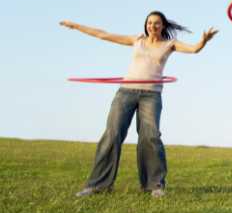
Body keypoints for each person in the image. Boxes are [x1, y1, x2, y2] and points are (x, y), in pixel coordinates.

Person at [60, 12, 217, 198]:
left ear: (163, 26)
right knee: (112, 134)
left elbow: (194, 49)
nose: (152, 26)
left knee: (150, 137)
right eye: (149, 23)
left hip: (151, 95)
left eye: (157, 23)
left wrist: (204, 40)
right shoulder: (137, 40)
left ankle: (155, 186)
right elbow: (103, 34)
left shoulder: (170, 44)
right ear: (146, 25)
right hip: (126, 92)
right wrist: (76, 25)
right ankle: (97, 185)